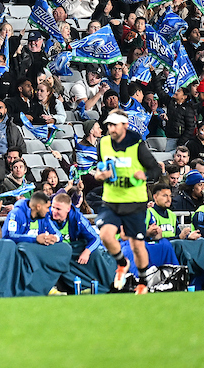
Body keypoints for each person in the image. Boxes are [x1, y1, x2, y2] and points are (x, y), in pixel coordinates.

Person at [89, 112, 161, 294]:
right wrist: (100, 175)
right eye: (109, 125)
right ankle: (122, 263)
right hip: (111, 199)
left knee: (137, 245)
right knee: (105, 235)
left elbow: (155, 170)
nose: (111, 129)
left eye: (115, 125)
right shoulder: (103, 143)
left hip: (134, 201)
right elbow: (101, 167)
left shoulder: (137, 145)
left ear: (125, 125)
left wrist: (144, 175)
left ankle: (143, 281)